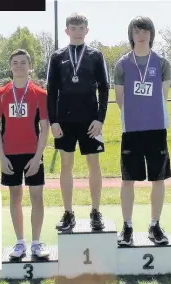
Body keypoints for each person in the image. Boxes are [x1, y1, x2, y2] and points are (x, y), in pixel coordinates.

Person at [47, 13, 109, 231]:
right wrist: (53, 121)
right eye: (73, 28)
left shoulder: (96, 55)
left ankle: (95, 211)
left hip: (91, 121)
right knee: (66, 165)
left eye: (81, 27)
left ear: (86, 30)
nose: (77, 31)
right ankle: (68, 212)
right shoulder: (56, 57)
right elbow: (51, 91)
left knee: (94, 165)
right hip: (64, 121)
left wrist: (100, 119)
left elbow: (104, 88)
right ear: (67, 31)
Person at [114, 16, 171, 246]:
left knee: (158, 179)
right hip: (132, 131)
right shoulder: (122, 64)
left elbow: (163, 97)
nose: (141, 34)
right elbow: (119, 99)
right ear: (131, 34)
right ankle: (127, 227)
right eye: (136, 30)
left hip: (157, 129)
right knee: (128, 181)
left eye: (145, 30)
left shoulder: (162, 63)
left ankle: (154, 225)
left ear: (151, 33)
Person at [0, 49, 50, 259]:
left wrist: (37, 157)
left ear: (29, 66)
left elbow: (45, 128)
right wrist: (1, 156)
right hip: (9, 155)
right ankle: (19, 242)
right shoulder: (1, 94)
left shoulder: (40, 94)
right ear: (10, 66)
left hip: (33, 154)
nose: (19, 66)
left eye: (23, 62)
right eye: (15, 62)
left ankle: (36, 242)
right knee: (15, 197)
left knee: (37, 197)